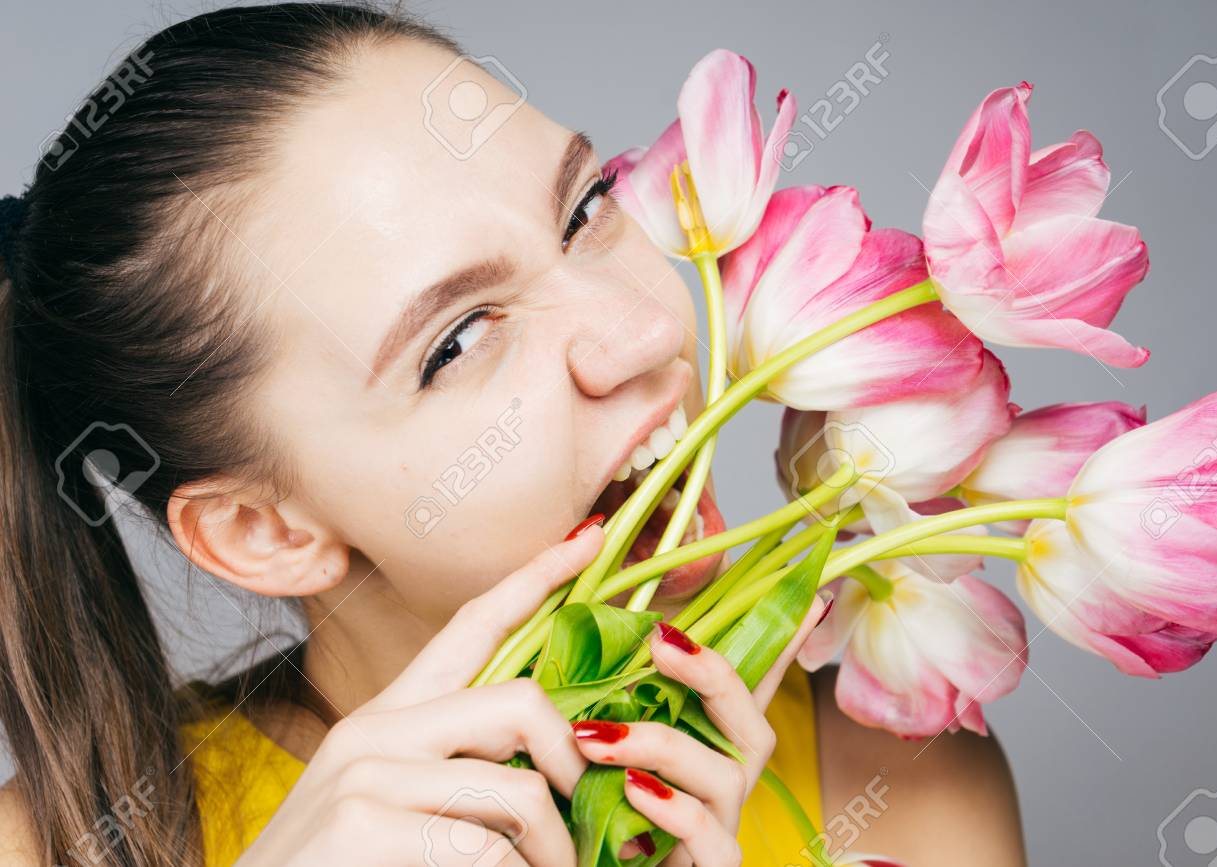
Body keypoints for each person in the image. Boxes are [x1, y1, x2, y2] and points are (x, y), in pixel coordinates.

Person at [0, 4, 1025, 864]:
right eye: (457, 341)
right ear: (262, 531)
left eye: (584, 210)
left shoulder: (901, 782)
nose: (644, 331)